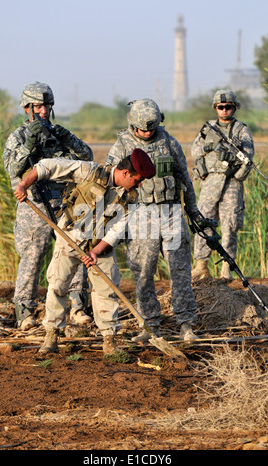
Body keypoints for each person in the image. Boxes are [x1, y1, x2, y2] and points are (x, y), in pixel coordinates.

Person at [13, 148, 156, 355]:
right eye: (138, 179)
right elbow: (46, 166)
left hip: (100, 244)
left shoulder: (131, 197)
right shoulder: (89, 172)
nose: (139, 184)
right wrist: (24, 185)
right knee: (58, 284)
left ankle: (109, 341)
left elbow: (117, 230)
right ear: (125, 173)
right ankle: (51, 336)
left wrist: (96, 252)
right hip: (71, 235)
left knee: (106, 289)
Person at [106, 98, 204, 342]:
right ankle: (149, 326)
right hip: (140, 215)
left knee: (180, 269)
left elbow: (185, 177)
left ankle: (186, 324)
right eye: (143, 129)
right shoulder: (122, 145)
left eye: (152, 127)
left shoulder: (168, 141)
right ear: (132, 124)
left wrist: (193, 211)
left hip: (171, 212)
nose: (148, 132)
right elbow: (110, 181)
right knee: (143, 271)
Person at [3, 82, 93, 331]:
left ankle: (77, 307)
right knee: (33, 256)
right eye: (39, 106)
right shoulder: (18, 137)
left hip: (63, 201)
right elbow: (12, 169)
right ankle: (25, 312)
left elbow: (87, 159)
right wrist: (29, 143)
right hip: (34, 203)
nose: (43, 111)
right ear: (27, 108)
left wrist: (68, 138)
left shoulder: (58, 134)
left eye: (47, 106)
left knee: (74, 251)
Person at [191, 89, 254, 280]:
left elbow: (248, 158)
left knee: (230, 225)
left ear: (234, 108)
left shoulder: (241, 130)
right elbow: (194, 151)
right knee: (204, 222)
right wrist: (209, 147)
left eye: (228, 107)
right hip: (210, 182)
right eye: (221, 107)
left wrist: (237, 172)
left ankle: (227, 266)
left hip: (231, 183)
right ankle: (201, 265)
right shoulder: (208, 128)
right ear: (215, 108)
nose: (224, 110)